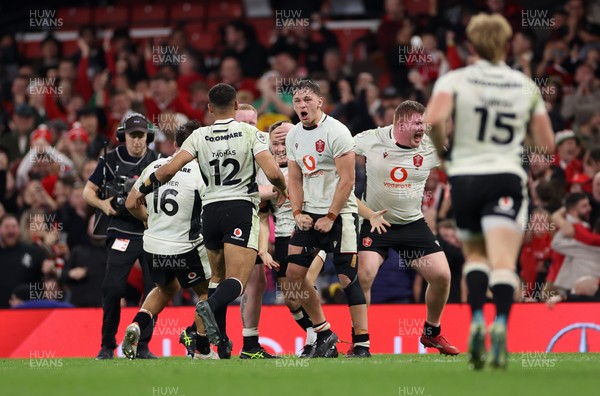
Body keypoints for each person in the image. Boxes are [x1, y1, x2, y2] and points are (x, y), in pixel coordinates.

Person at [424, 13, 555, 369]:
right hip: (505, 177)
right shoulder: (521, 84)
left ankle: (478, 318)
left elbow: (432, 120)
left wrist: (441, 153)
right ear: (507, 44)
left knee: (476, 258)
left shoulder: (455, 79)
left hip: (465, 178)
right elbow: (546, 143)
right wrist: (523, 136)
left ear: (470, 44)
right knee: (503, 262)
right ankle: (500, 325)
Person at [131, 83, 287, 354]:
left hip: (210, 213)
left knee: (217, 278)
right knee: (237, 282)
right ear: (236, 106)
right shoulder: (251, 133)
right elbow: (273, 173)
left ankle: (217, 344)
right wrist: (283, 189)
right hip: (239, 208)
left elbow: (168, 170)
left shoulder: (199, 135)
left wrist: (143, 189)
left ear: (210, 108)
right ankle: (207, 310)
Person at [354, 100, 459, 356]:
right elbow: (336, 151)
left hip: (412, 223)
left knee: (442, 276)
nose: (423, 129)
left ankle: (431, 332)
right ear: (399, 124)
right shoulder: (371, 139)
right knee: (364, 275)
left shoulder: (430, 147)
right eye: (417, 124)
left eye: (424, 123)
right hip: (376, 221)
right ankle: (361, 343)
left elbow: (455, 173)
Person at [285, 79, 369, 358]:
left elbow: (348, 180)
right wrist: (298, 212)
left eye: (307, 100)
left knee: (347, 277)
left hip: (340, 212)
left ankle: (362, 344)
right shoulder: (294, 135)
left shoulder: (337, 131)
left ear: (320, 102)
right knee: (294, 277)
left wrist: (331, 215)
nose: (302, 105)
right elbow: (294, 179)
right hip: (309, 214)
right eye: (297, 101)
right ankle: (324, 333)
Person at [121, 120, 215, 360]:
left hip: (153, 245)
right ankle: (202, 349)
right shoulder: (201, 172)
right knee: (207, 292)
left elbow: (130, 203)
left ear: (175, 144)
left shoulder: (155, 165)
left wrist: (147, 220)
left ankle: (137, 325)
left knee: (166, 287)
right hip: (186, 246)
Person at [83, 113, 159, 360]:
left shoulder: (157, 160)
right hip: (121, 230)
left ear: (148, 138)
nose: (138, 141)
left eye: (142, 136)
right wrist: (103, 205)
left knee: (153, 288)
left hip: (150, 232)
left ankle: (143, 346)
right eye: (133, 136)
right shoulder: (110, 160)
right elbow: (88, 191)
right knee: (113, 288)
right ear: (124, 136)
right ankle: (107, 345)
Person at [257, 120, 326, 357]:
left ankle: (318, 340)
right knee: (291, 300)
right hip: (283, 239)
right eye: (276, 143)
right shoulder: (265, 172)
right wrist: (263, 250)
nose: (282, 147)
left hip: (311, 234)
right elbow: (263, 217)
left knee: (302, 285)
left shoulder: (308, 164)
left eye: (286, 141)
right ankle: (319, 336)